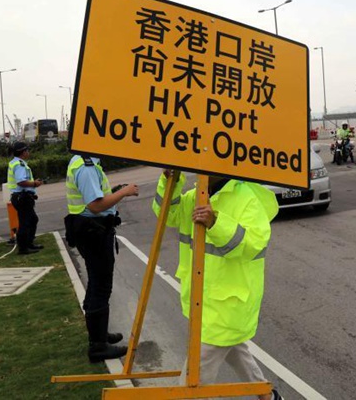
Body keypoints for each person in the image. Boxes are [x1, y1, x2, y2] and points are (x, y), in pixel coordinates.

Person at [152, 171, 284, 400]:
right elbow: (167, 214)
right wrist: (170, 181)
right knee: (234, 349)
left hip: (228, 305)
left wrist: (216, 222)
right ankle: (267, 396)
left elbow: (254, 244)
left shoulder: (247, 198)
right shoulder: (197, 196)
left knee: (191, 383)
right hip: (203, 300)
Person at [65, 154, 139, 362]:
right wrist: (124, 192)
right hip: (93, 232)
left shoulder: (83, 162)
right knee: (100, 286)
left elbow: (95, 197)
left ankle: (99, 335)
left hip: (90, 231)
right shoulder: (87, 167)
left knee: (97, 284)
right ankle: (98, 346)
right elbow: (96, 205)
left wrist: (114, 192)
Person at [7, 141, 44, 255]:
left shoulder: (15, 162)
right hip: (22, 197)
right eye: (27, 150)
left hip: (20, 197)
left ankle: (29, 244)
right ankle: (23, 248)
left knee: (32, 220)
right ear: (23, 152)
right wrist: (34, 184)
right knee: (25, 223)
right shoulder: (20, 164)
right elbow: (21, 182)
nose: (29, 152)